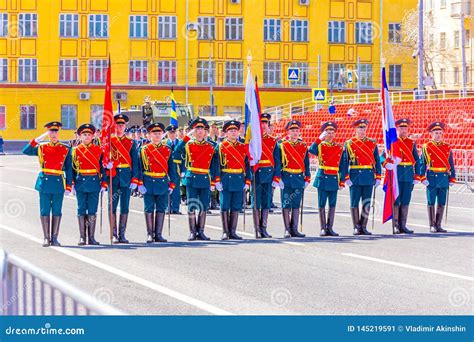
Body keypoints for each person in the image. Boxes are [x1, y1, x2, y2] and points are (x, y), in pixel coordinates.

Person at [22, 121, 73, 247]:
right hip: (44, 183)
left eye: (55, 131)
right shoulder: (41, 147)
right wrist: (38, 139)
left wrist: (68, 186)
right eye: (51, 131)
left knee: (57, 210)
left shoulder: (65, 149)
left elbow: (69, 169)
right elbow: (26, 151)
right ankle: (46, 237)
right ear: (48, 133)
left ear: (58, 132)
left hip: (58, 183)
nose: (53, 134)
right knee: (44, 210)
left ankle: (54, 238)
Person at [174, 117, 219, 241]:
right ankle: (192, 232)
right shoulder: (188, 145)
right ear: (193, 131)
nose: (200, 131)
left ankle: (201, 231)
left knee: (204, 206)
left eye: (202, 129)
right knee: (192, 206)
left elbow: (215, 165)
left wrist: (214, 181)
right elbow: (176, 151)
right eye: (197, 129)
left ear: (206, 132)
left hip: (205, 178)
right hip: (192, 177)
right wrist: (186, 137)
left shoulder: (212, 146)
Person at [138, 122, 178, 243]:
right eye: (154, 133)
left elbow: (172, 169)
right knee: (149, 208)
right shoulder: (144, 149)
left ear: (162, 134)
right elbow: (139, 168)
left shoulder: (167, 149)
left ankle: (158, 234)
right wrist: (139, 183)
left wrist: (172, 184)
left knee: (161, 208)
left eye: (159, 133)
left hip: (162, 182)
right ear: (149, 135)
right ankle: (150, 234)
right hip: (148, 182)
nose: (157, 135)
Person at [341, 119, 382, 236]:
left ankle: (363, 226)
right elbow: (345, 162)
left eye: (364, 128)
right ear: (355, 129)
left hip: (368, 176)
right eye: (360, 128)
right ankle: (356, 227)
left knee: (367, 203)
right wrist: (346, 177)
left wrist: (378, 176)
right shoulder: (349, 143)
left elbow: (377, 161)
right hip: (355, 176)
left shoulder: (372, 142)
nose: (362, 130)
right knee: (354, 202)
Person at [104, 114, 139, 244]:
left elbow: (135, 162)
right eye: (118, 124)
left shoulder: (131, 142)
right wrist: (106, 166)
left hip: (125, 177)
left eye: (122, 125)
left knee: (125, 206)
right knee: (112, 205)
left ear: (125, 126)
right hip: (113, 177)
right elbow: (103, 158)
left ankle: (122, 234)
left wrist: (135, 179)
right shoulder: (109, 141)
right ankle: (113, 234)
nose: (120, 127)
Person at [383, 118, 422, 234]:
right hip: (397, 174)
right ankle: (395, 225)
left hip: (409, 175)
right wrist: (386, 164)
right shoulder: (392, 142)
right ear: (397, 129)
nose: (404, 130)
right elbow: (381, 157)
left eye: (405, 128)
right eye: (401, 128)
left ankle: (403, 225)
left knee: (405, 200)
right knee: (396, 199)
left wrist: (417, 176)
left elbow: (417, 160)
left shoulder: (411, 143)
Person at [215, 120, 251, 240]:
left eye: (235, 130)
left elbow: (247, 165)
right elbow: (216, 165)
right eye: (231, 131)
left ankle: (233, 231)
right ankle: (225, 232)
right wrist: (217, 180)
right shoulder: (221, 146)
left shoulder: (242, 147)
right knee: (225, 205)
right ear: (226, 133)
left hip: (239, 179)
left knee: (236, 206)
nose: (234, 133)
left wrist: (247, 181)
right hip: (225, 179)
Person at [72, 123, 106, 245]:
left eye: (89, 135)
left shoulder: (98, 150)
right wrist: (71, 184)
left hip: (94, 182)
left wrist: (104, 183)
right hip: (80, 181)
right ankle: (82, 236)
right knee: (81, 209)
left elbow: (103, 168)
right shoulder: (75, 150)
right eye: (84, 135)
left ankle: (91, 237)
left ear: (93, 136)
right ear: (80, 136)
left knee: (92, 209)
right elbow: (72, 169)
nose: (86, 137)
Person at [308, 121, 344, 237]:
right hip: (323, 177)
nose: (330, 134)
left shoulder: (339, 148)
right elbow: (311, 150)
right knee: (322, 203)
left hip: (334, 177)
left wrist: (342, 181)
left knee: (332, 204)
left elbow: (342, 166)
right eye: (328, 132)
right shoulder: (320, 146)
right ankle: (323, 228)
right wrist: (319, 139)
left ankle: (330, 227)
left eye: (332, 132)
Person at [420, 121, 456, 233]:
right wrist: (422, 177)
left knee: (441, 201)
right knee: (431, 201)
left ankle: (438, 225)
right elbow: (423, 163)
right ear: (431, 134)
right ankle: (432, 225)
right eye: (436, 132)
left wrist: (452, 177)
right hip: (432, 177)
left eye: (440, 133)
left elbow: (451, 163)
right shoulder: (426, 147)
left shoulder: (447, 147)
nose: (438, 135)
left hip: (444, 177)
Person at [279, 120, 310, 238]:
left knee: (296, 204)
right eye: (293, 131)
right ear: (288, 132)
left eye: (297, 131)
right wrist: (278, 178)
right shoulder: (282, 145)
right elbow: (278, 163)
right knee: (286, 203)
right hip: (286, 177)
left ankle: (295, 229)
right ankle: (287, 229)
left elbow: (306, 163)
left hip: (298, 178)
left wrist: (307, 178)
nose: (295, 133)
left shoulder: (303, 145)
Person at [252, 113, 281, 238]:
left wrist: (276, 178)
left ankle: (263, 228)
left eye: (265, 124)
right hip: (256, 175)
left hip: (268, 175)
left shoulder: (273, 141)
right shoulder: (252, 140)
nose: (263, 126)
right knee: (255, 203)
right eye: (261, 123)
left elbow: (278, 161)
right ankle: (257, 229)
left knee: (266, 203)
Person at [165, 124, 182, 214]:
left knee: (176, 189)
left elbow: (184, 158)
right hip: (166, 169)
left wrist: (183, 171)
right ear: (167, 133)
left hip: (177, 169)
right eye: (170, 132)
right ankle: (167, 207)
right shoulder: (164, 143)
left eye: (174, 132)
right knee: (167, 188)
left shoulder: (180, 143)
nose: (172, 134)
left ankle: (175, 208)